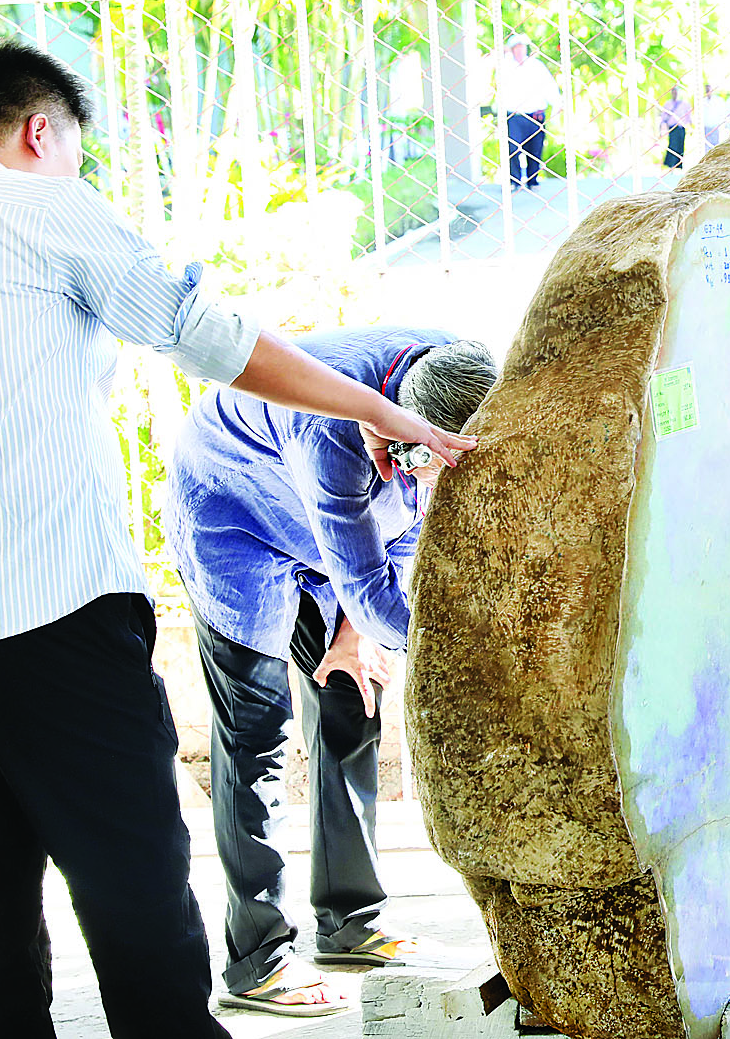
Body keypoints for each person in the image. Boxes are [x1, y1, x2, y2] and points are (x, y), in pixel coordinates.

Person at [0, 42, 474, 1039]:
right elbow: (204, 334)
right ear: (39, 131)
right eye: (71, 153)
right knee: (132, 862)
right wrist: (376, 409)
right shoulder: (32, 205)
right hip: (47, 599)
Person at [163, 330, 497, 1017]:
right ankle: (257, 958)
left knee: (353, 699)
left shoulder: (465, 373)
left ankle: (350, 922)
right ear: (400, 434)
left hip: (333, 521)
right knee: (257, 734)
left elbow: (403, 534)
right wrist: (467, 656)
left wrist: (357, 633)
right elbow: (368, 585)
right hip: (236, 512)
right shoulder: (333, 433)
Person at [497, 33, 559, 190]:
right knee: (512, 147)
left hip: (535, 114)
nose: (519, 50)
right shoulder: (505, 66)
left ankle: (533, 180)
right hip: (515, 115)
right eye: (516, 47)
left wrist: (556, 103)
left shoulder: (536, 66)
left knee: (535, 149)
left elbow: (549, 86)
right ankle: (515, 180)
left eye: (522, 47)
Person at [659, 85, 692, 169]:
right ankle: (671, 164)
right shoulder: (668, 104)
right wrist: (663, 125)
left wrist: (690, 125)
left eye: (676, 92)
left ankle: (679, 164)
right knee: (673, 145)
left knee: (681, 145)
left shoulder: (684, 104)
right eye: (673, 92)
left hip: (681, 127)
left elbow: (688, 115)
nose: (675, 94)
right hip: (672, 127)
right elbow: (664, 116)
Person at [702, 82, 727, 147]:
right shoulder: (702, 101)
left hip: (716, 126)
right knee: (706, 146)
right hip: (705, 127)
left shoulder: (718, 100)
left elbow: (723, 113)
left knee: (716, 145)